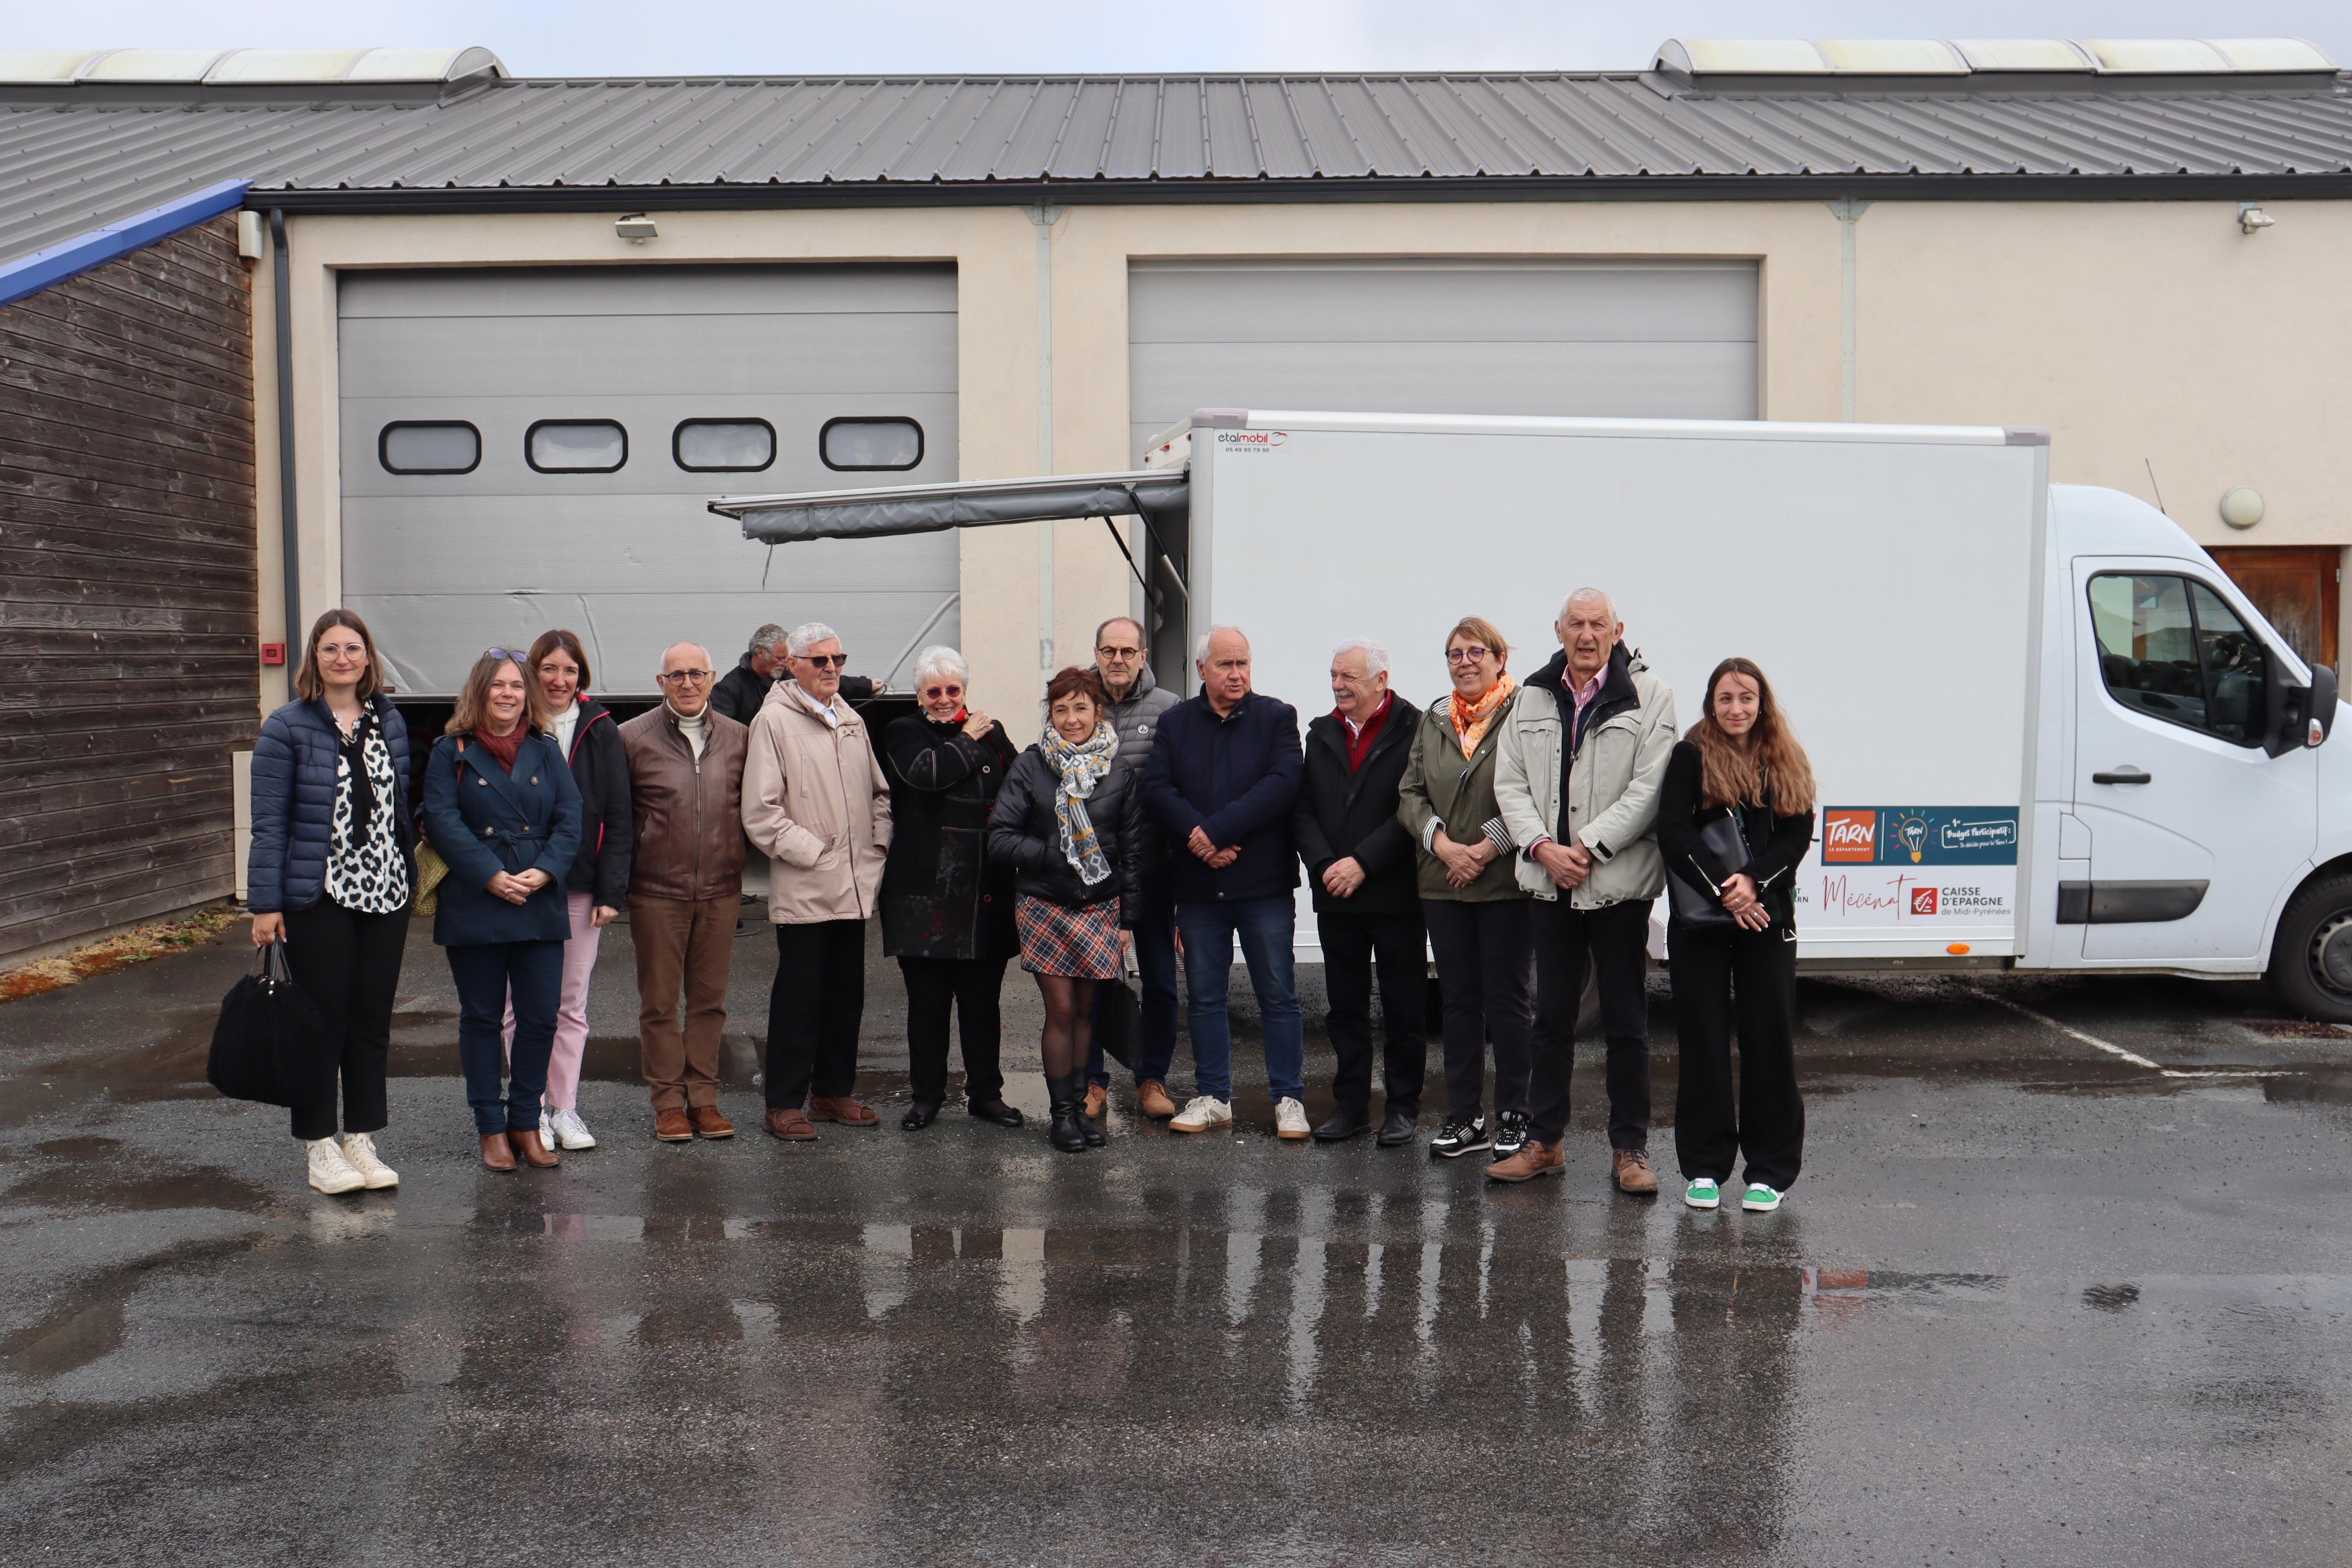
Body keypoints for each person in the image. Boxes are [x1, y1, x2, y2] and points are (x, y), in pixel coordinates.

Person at [1490, 589, 1679, 1189]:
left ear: (1618, 630)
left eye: (1599, 624)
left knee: (1626, 1021)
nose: (1588, 634)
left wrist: (1588, 847)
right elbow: (1510, 782)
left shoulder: (1652, 698)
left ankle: (1630, 1152)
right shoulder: (1531, 697)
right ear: (1559, 629)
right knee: (1552, 1021)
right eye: (1577, 624)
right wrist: (1543, 849)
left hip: (1617, 886)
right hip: (1550, 883)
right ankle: (1545, 1142)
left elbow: (1650, 789)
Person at [246, 609, 415, 1195]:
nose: (342, 658)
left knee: (371, 1022)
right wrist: (264, 904)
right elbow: (268, 823)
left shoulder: (389, 722)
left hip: (385, 890)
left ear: (369, 657)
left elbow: (397, 809)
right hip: (318, 894)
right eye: (330, 649)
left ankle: (361, 1139)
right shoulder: (286, 727)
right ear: (314, 659)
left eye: (353, 648)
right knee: (323, 1023)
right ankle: (319, 1147)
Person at [1655, 658, 1816, 1214]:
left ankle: (1769, 1171)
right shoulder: (1690, 755)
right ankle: (1704, 1167)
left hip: (1767, 918)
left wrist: (1754, 884)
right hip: (1702, 922)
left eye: (1746, 698)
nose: (1737, 709)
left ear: (1762, 702)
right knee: (1703, 1039)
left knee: (1768, 1039)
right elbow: (1673, 833)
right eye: (1726, 699)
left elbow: (1797, 834)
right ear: (1711, 705)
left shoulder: (1784, 758)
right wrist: (1729, 891)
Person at [1140, 625, 1308, 1140]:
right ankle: (1214, 1096)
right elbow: (1157, 787)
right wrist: (1197, 837)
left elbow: (1281, 786)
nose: (1237, 675)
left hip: (1262, 886)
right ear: (1201, 670)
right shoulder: (1175, 723)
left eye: (1243, 664)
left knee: (1277, 996)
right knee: (1206, 998)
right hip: (1198, 890)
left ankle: (1289, 1100)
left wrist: (1211, 833)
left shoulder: (1276, 717)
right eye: (1225, 665)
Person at [421, 650, 583, 1171]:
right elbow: (442, 822)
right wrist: (490, 875)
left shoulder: (546, 747)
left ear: (527, 693)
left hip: (537, 896)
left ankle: (525, 1123)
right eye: (498, 686)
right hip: (477, 897)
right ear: (481, 691)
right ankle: (491, 1128)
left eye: (516, 685)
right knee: (483, 1019)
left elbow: (571, 819)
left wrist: (546, 871)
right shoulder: (451, 751)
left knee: (539, 1019)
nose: (508, 694)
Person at [988, 666, 1147, 1152]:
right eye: (1061, 710)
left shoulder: (1118, 770)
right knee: (1060, 1010)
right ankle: (1061, 1116)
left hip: (1099, 907)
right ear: (1050, 714)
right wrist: (1056, 855)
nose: (1071, 719)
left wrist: (1128, 920)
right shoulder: (1032, 766)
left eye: (1081, 708)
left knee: (1085, 1010)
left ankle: (1080, 1110)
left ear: (1098, 711)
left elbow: (1132, 850)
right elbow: (1000, 838)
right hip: (1044, 903)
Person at [743, 621, 892, 1140]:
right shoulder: (774, 722)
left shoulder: (850, 717)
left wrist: (878, 843)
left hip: (854, 885)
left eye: (838, 660)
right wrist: (813, 852)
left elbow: (880, 793)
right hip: (809, 885)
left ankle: (832, 1091)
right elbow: (761, 813)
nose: (832, 669)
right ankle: (784, 1103)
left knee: (846, 996)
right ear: (793, 666)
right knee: (799, 999)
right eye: (820, 661)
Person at [1396, 617, 1534, 1162]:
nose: (1466, 662)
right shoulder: (1434, 719)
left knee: (1507, 1002)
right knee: (1457, 1003)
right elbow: (1410, 792)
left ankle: (1515, 1115)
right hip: (1442, 880)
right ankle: (1464, 1116)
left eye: (1478, 651)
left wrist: (1484, 849)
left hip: (1502, 881)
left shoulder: (1524, 713)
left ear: (1501, 659)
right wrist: (1445, 847)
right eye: (1456, 654)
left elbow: (1534, 789)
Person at [880, 646, 1024, 1132]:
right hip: (924, 894)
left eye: (953, 690)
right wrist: (966, 737)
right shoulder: (904, 732)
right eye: (934, 691)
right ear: (921, 695)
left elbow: (1020, 785)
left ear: (965, 690)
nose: (944, 699)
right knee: (928, 1006)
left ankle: (986, 1094)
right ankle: (926, 1097)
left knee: (983, 1006)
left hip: (985, 891)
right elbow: (927, 774)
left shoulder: (994, 731)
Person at [501, 629, 632, 1154]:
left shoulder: (600, 729)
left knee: (570, 1003)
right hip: (519, 886)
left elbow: (620, 814)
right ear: (534, 673)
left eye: (570, 670)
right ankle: (528, 1108)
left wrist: (611, 890)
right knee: (519, 1004)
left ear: (582, 677)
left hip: (579, 887)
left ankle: (565, 1107)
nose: (559, 679)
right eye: (549, 669)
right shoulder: (513, 724)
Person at [1293, 637, 1425, 1145]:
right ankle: (1351, 1106)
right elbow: (1302, 808)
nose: (1338, 685)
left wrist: (1362, 862)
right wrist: (1326, 864)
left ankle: (1402, 1108)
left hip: (1394, 895)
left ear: (1380, 681)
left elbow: (1412, 808)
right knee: (1344, 1009)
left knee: (1403, 1008)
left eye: (1348, 677)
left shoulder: (1414, 728)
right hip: (1337, 896)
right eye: (1334, 676)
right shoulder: (1322, 732)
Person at [619, 642, 749, 1143]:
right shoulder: (630, 738)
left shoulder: (740, 738)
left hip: (721, 889)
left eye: (697, 673)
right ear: (661, 682)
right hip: (656, 891)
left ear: (713, 678)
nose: (688, 683)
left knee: (709, 1001)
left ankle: (705, 1099)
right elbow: (616, 816)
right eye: (677, 675)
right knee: (658, 1003)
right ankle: (669, 1103)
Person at [1082, 616, 1182, 1121]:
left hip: (1155, 871)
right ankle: (1093, 1083)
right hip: (1095, 875)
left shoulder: (1169, 710)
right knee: (1095, 981)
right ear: (1096, 654)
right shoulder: (1077, 704)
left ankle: (1151, 1079)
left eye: (1127, 651)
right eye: (1108, 650)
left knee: (1162, 981)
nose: (1116, 659)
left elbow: (1184, 790)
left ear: (1144, 656)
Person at [712, 622, 881, 725]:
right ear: (761, 653)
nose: (787, 664)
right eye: (781, 658)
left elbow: (824, 678)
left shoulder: (786, 673)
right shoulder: (730, 688)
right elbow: (724, 731)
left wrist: (867, 685)